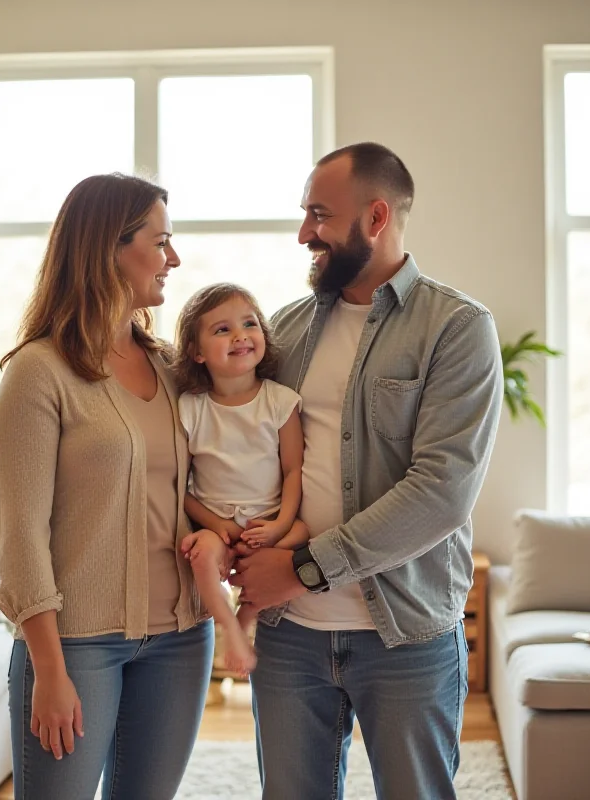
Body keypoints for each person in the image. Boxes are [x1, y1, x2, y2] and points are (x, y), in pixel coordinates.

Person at [229, 142, 504, 800]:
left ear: (376, 217)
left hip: (406, 635)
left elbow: (442, 493)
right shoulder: (284, 332)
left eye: (319, 215)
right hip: (290, 637)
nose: (304, 234)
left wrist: (302, 567)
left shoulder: (457, 329)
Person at [0, 174, 213, 800]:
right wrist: (49, 670)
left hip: (181, 637)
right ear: (108, 249)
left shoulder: (172, 365)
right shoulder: (39, 373)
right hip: (77, 645)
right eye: (160, 242)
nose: (174, 259)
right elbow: (20, 537)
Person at [171, 283, 308, 676]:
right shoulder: (191, 409)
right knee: (199, 552)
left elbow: (293, 470)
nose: (240, 335)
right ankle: (228, 627)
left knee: (303, 535)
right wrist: (216, 525)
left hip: (269, 520)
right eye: (222, 330)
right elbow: (179, 487)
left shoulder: (280, 401)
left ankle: (248, 614)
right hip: (217, 522)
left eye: (249, 324)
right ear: (197, 353)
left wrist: (280, 524)